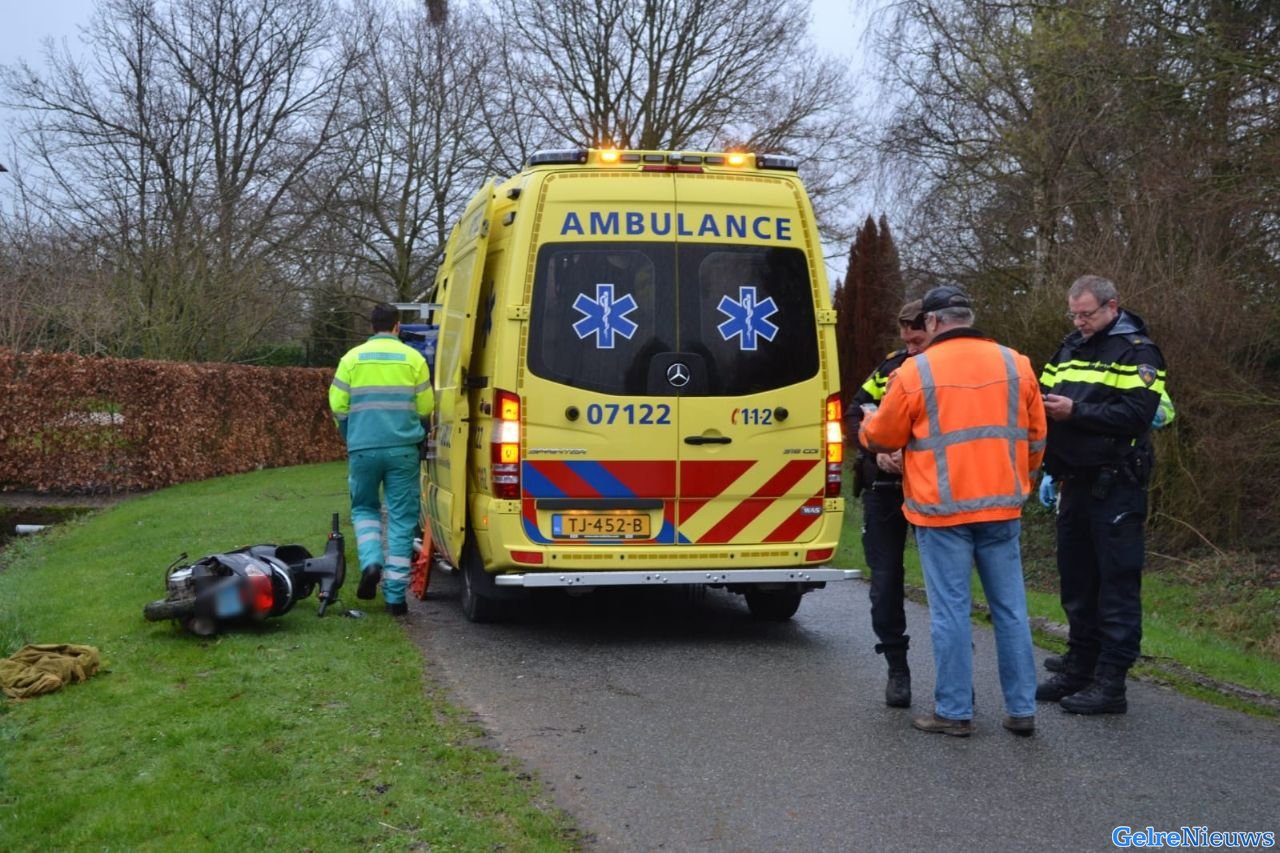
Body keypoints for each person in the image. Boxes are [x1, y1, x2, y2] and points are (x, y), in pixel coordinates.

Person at [861, 285, 1046, 737]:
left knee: (950, 612)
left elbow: (884, 438)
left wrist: (867, 424)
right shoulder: (1016, 364)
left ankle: (954, 712)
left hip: (941, 511)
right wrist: (1017, 477)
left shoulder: (913, 372)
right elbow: (1037, 439)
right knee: (1011, 611)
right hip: (1002, 506)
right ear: (968, 316)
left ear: (932, 323)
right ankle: (1022, 709)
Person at [1035, 275, 1167, 714]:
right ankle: (1080, 666)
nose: (1079, 321)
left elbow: (1136, 415)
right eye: (1074, 313)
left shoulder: (1138, 351)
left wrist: (1076, 411)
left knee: (1116, 582)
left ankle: (1111, 683)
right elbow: (1040, 391)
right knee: (1077, 580)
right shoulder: (1071, 345)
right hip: (1074, 480)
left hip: (1117, 483)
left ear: (1112, 307)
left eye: (1087, 314)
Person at [844, 299, 927, 707]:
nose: (910, 343)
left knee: (946, 587)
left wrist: (909, 453)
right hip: (883, 490)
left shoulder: (947, 369)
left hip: (931, 490)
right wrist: (877, 452)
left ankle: (957, 679)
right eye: (904, 335)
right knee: (885, 582)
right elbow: (854, 413)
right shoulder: (891, 366)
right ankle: (897, 668)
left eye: (917, 334)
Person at [329, 303, 435, 616]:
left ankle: (372, 560)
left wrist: (351, 433)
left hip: (363, 449)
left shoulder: (351, 359)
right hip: (403, 450)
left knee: (364, 507)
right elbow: (426, 406)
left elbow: (337, 403)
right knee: (402, 518)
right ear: (397, 326)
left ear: (371, 325)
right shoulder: (413, 359)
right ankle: (394, 598)